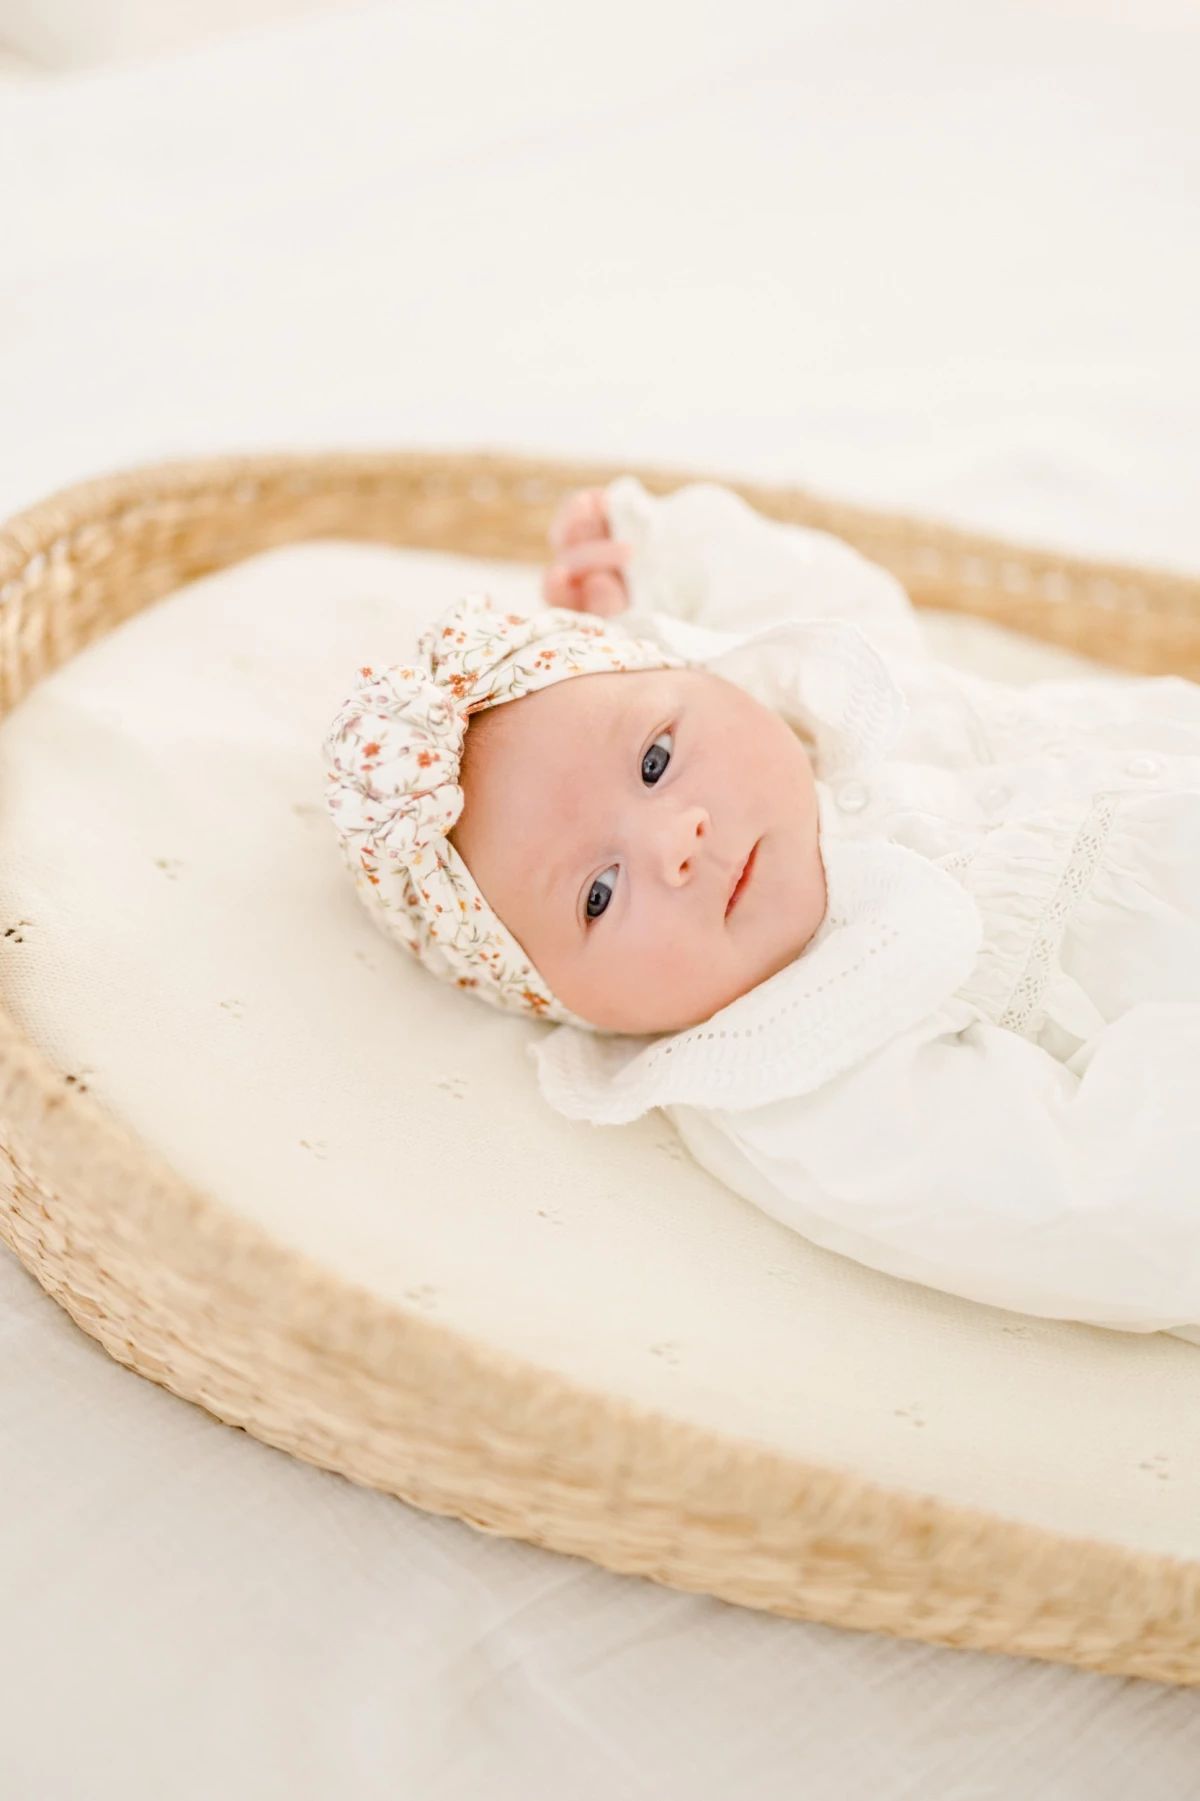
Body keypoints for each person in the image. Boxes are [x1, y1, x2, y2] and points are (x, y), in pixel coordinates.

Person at [324, 476, 1200, 1340]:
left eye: (656, 761)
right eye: (599, 893)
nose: (676, 840)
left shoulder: (813, 708)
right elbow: (1091, 1202)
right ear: (576, 1009)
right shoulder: (797, 1074)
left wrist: (660, 555)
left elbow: (828, 596)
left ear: (697, 667)